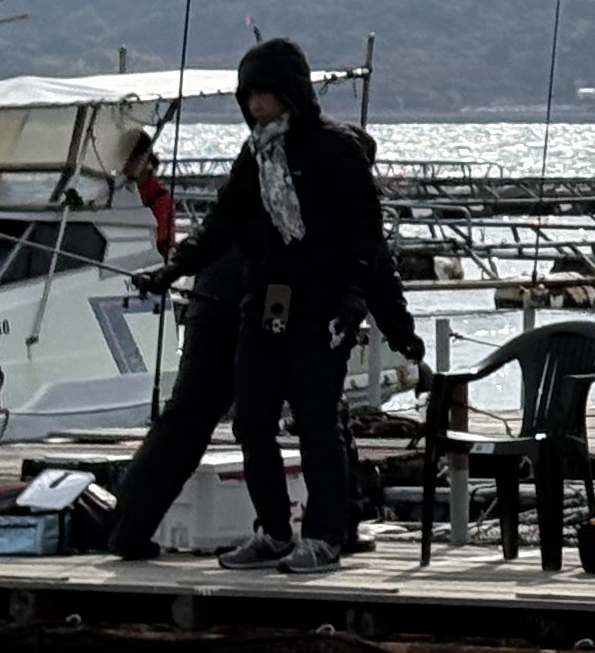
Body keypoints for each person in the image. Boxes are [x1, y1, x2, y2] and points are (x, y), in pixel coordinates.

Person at [140, 39, 416, 575]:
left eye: (263, 93)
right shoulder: (255, 155)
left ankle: (325, 535)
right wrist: (172, 268)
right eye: (248, 96)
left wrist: (360, 298)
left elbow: (366, 233)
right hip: (266, 300)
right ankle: (271, 531)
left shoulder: (336, 148)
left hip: (325, 304)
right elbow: (221, 224)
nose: (255, 105)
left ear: (290, 92)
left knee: (317, 422)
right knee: (252, 420)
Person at [105, 252, 239, 560]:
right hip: (256, 292)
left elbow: (215, 232)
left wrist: (173, 270)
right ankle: (327, 529)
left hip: (215, 289)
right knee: (309, 417)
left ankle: (128, 525)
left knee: (184, 421)